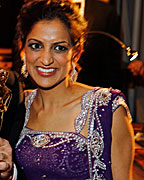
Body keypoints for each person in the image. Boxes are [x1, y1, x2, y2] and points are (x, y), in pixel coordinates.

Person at [0, 0, 134, 179]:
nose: (46, 59)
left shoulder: (106, 108)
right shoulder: (15, 107)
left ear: (76, 53)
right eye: (36, 46)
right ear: (22, 50)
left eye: (59, 48)